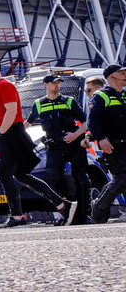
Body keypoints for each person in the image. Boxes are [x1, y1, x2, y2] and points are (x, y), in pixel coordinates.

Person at [0, 58, 75, 228]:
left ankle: (16, 216)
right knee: (21, 176)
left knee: (4, 175)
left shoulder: (4, 85)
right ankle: (62, 205)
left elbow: (12, 110)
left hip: (8, 134)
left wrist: (1, 133)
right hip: (5, 133)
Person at [25, 74, 91, 224]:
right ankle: (64, 212)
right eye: (54, 83)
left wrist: (75, 135)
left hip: (74, 144)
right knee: (52, 178)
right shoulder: (39, 103)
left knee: (82, 179)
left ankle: (84, 215)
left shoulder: (69, 101)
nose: (57, 85)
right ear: (45, 85)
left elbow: (86, 122)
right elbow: (27, 124)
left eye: (58, 83)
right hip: (54, 146)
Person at [89, 64, 126, 223]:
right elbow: (92, 121)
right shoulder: (100, 96)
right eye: (122, 73)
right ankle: (98, 207)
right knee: (122, 178)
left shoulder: (123, 95)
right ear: (112, 77)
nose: (125, 74)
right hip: (113, 145)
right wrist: (101, 139)